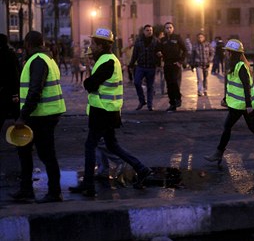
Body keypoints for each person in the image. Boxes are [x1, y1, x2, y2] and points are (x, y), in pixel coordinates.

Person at [69, 28, 152, 197]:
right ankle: (141, 169)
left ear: (101, 46)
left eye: (93, 43)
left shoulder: (107, 61)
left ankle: (88, 185)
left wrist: (88, 80)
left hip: (102, 111)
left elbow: (90, 85)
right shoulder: (108, 60)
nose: (91, 45)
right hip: (108, 111)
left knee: (90, 145)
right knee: (112, 145)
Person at [10, 31, 66, 203]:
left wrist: (22, 116)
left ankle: (54, 192)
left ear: (28, 44)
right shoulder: (47, 59)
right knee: (24, 150)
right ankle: (26, 189)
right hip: (41, 114)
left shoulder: (38, 61)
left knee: (46, 154)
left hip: (42, 115)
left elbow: (35, 90)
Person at [203, 39, 254, 168]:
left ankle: (219, 153)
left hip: (243, 106)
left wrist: (248, 105)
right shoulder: (235, 66)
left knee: (244, 128)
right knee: (245, 128)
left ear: (232, 53)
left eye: (227, 52)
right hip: (238, 105)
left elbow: (246, 86)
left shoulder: (240, 66)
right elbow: (233, 86)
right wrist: (226, 98)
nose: (226, 54)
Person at [155, 22, 188, 112]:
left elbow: (185, 50)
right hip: (167, 64)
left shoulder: (177, 38)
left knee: (174, 82)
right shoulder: (163, 40)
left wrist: (180, 62)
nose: (168, 29)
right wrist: (158, 53)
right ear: (164, 29)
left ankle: (178, 98)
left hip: (175, 64)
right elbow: (158, 50)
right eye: (167, 28)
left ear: (173, 29)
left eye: (170, 27)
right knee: (169, 85)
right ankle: (172, 104)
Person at [129, 25, 158, 111]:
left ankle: (150, 104)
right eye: (147, 30)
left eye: (151, 30)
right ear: (144, 31)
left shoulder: (155, 41)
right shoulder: (139, 41)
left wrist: (158, 64)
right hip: (140, 66)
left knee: (150, 86)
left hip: (151, 66)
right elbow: (135, 53)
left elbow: (158, 53)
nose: (149, 32)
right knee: (137, 82)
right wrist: (131, 64)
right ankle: (142, 101)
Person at [0, 33, 20, 131]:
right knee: (17, 116)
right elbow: (16, 73)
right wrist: (16, 93)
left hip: (4, 90)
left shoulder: (9, 54)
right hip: (11, 90)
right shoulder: (11, 54)